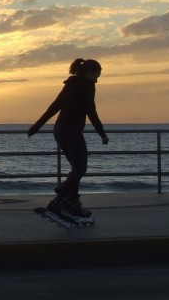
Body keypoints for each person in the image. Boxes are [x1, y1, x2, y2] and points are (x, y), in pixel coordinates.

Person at [27, 58, 109, 223]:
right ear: (90, 72)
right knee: (80, 167)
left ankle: (73, 204)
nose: (98, 79)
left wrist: (36, 126)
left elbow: (54, 106)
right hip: (71, 129)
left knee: (76, 169)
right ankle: (59, 201)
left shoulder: (70, 84)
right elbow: (91, 110)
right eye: (97, 75)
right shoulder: (87, 85)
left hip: (60, 130)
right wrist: (102, 133)